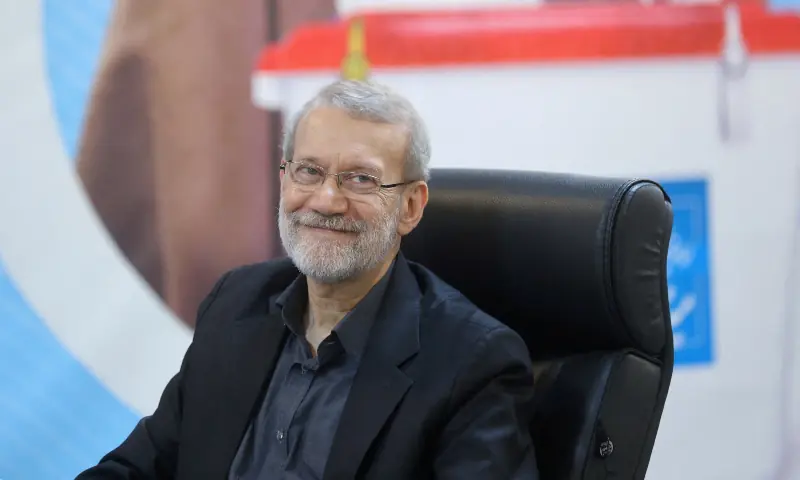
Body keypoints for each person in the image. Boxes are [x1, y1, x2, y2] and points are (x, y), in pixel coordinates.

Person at [76, 80, 539, 480]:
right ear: (285, 178)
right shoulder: (235, 305)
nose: (326, 200)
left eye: (360, 179)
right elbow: (140, 465)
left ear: (412, 207)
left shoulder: (474, 364)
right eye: (309, 171)